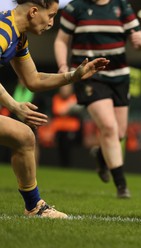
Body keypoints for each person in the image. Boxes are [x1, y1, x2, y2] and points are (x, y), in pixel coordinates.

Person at [0, 0, 109, 218]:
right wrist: (14, 105)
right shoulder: (3, 30)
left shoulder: (18, 36)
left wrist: (73, 76)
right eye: (50, 15)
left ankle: (34, 207)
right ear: (33, 12)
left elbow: (34, 79)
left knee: (23, 136)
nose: (51, 23)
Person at [54, 0, 141, 198]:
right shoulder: (75, 7)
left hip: (120, 76)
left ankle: (101, 155)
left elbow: (140, 39)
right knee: (109, 127)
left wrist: (140, 42)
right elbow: (61, 40)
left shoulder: (122, 6)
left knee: (119, 133)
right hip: (89, 75)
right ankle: (121, 185)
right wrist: (63, 66)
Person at [51, 83, 82, 167]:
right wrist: (69, 108)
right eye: (63, 88)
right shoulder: (56, 98)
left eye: (66, 88)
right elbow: (58, 110)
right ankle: (62, 166)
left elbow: (79, 110)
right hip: (59, 129)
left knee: (71, 150)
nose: (64, 90)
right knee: (60, 150)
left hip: (72, 128)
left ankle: (71, 167)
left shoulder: (75, 98)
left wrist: (67, 110)